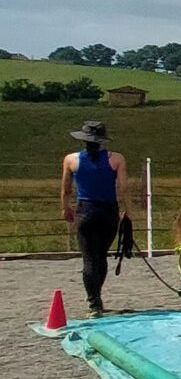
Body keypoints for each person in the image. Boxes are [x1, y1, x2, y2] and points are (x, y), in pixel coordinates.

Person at [59, 120, 133, 318]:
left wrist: (65, 208)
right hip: (109, 212)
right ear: (102, 141)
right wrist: (128, 210)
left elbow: (66, 189)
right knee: (101, 256)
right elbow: (123, 187)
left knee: (89, 258)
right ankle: (96, 298)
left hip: (85, 211)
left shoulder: (71, 160)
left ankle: (94, 302)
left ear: (83, 141)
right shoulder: (116, 159)